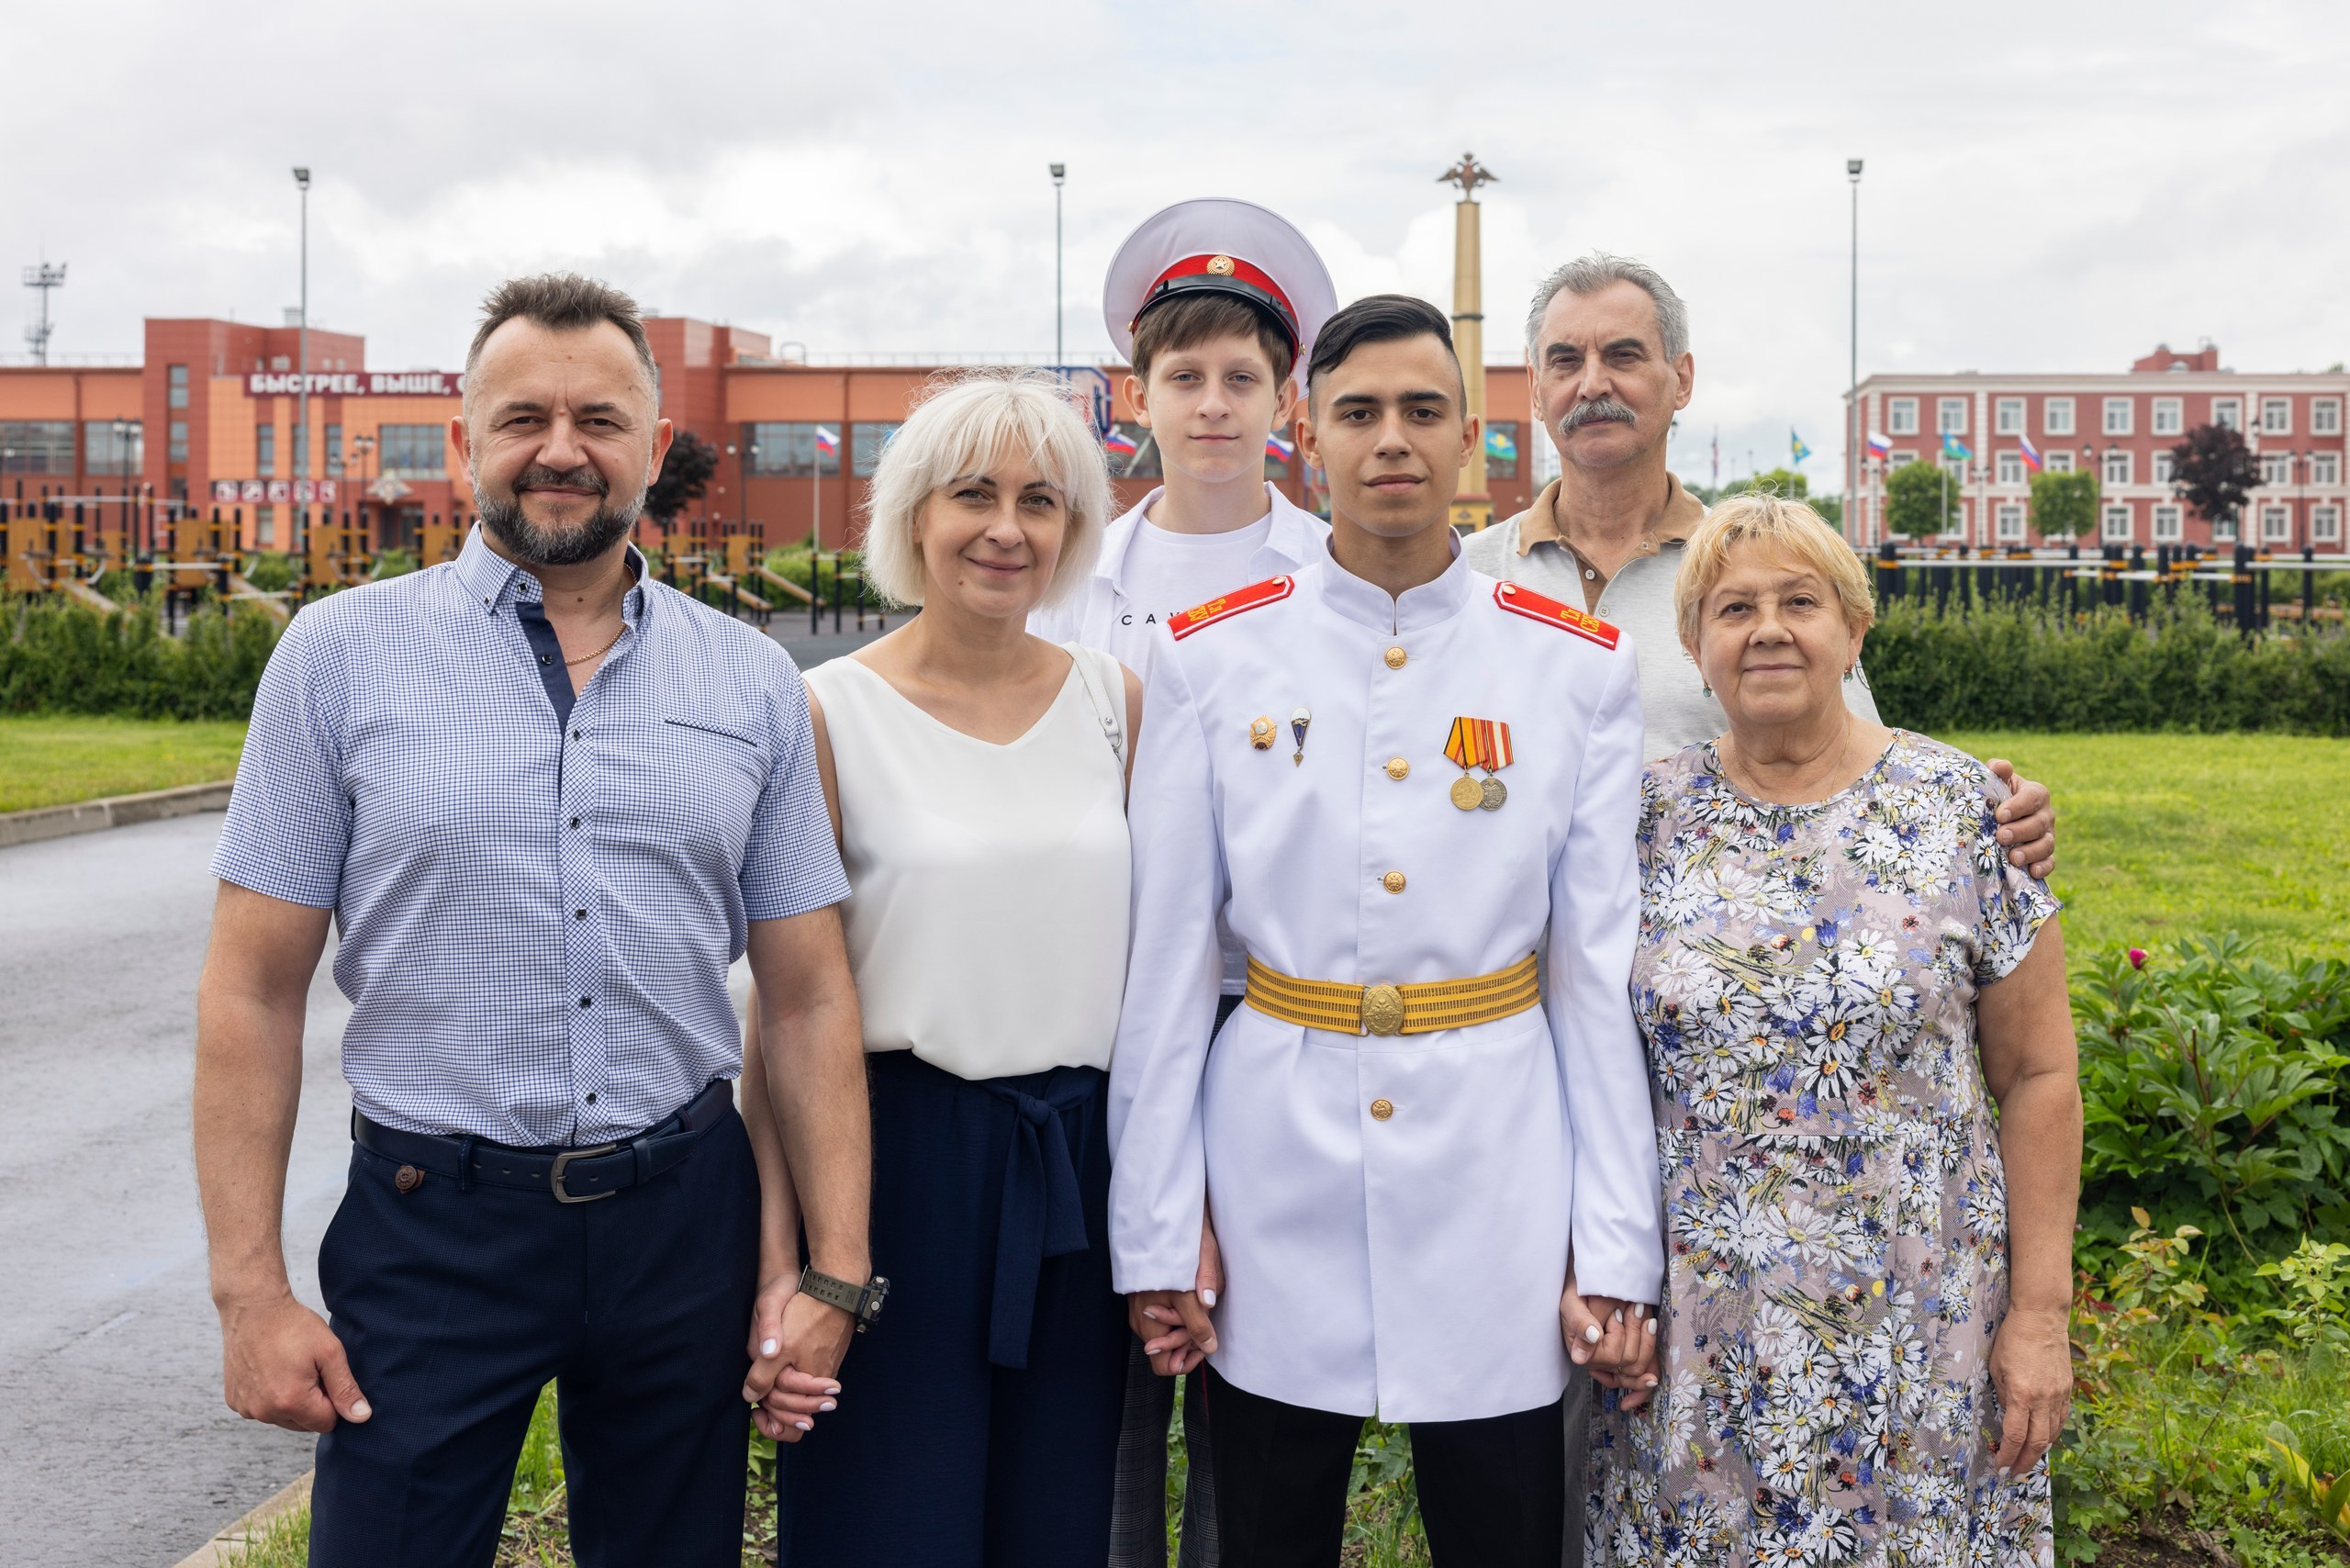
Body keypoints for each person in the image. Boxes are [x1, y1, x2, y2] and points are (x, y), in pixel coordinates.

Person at [193, 273, 877, 1568]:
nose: (560, 450)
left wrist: (831, 1272)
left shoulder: (750, 680)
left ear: (652, 449)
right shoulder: (337, 659)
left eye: (600, 420)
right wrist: (249, 1289)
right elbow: (250, 990)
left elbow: (808, 995)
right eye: (522, 418)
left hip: (684, 1223)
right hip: (432, 1228)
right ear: (464, 446)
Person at [1110, 294, 1662, 1568]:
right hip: (1273, 1169)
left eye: (1424, 411)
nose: (1392, 441)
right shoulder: (1213, 659)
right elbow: (1168, 974)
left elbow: (1594, 978)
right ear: (1307, 435)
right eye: (1358, 413)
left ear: (1473, 440)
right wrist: (1157, 1229)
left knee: (1504, 1530)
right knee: (1265, 1531)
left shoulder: (1573, 669)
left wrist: (1615, 1244)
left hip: (1496, 1169)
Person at [1584, 495, 2080, 1564]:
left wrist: (2038, 1314)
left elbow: (2039, 1072)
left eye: (1799, 601)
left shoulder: (1960, 807)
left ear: (1853, 631)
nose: (1766, 628)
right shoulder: (1636, 820)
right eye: (1733, 608)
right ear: (1693, 647)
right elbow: (1580, 1060)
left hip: (1921, 1333)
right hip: (1698, 1344)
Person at [755, 370, 1136, 1565]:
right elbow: (782, 1013)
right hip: (891, 1177)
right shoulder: (825, 713)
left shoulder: (1117, 704)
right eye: (973, 494)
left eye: (1042, 500)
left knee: (1055, 1532)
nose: (1007, 529)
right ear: (914, 513)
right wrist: (792, 1265)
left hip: (1075, 1183)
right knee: (887, 1529)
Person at [1028, 196, 1337, 1568]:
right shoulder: (1075, 580)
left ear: (1287, 396)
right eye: (1183, 377)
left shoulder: (1334, 579)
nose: (1213, 407)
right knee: (1106, 1372)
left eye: (1242, 379)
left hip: (1271, 1014)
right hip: (1095, 1013)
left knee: (1251, 1377)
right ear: (1134, 393)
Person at [1460, 253, 2053, 877]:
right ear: (1535, 388)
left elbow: (1860, 766)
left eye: (1624, 356)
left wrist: (1982, 811)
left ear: (1682, 378)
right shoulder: (1465, 581)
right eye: (1565, 361)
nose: (1592, 383)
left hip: (1722, 953)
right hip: (1520, 966)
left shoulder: (1760, 578)